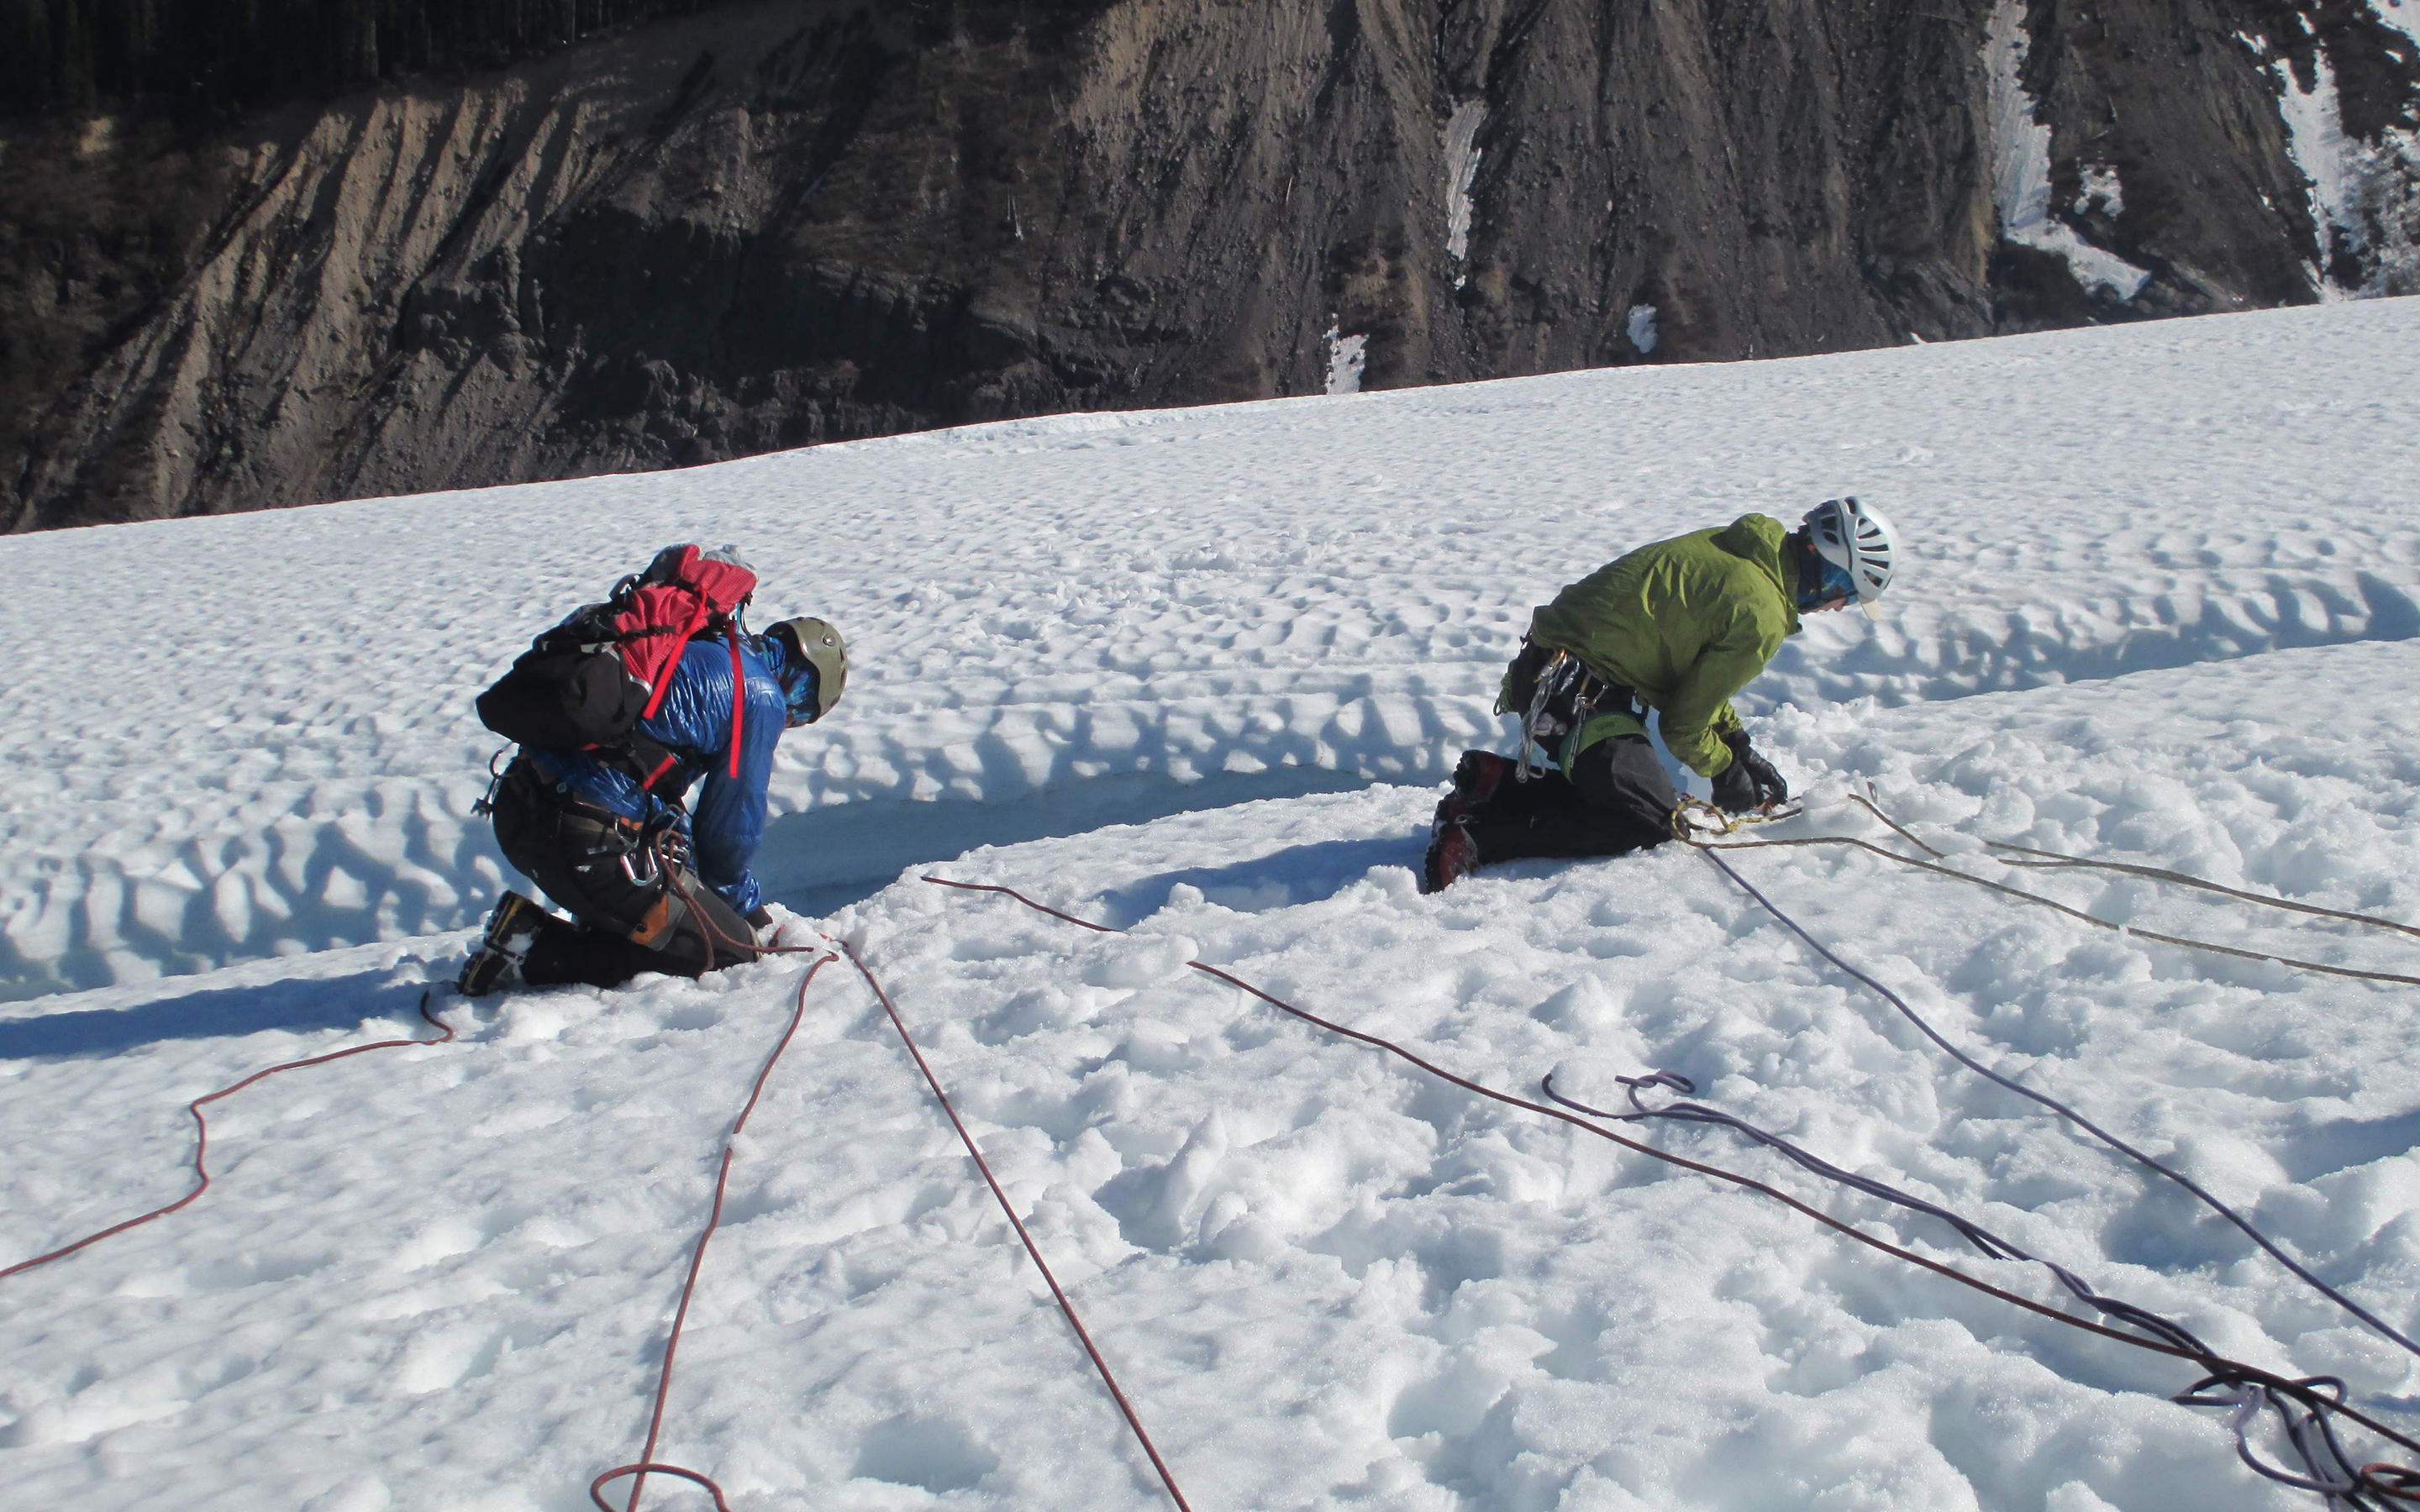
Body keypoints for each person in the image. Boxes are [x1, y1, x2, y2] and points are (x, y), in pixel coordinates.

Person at [1422, 497, 1898, 893]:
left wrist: (1737, 745)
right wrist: (1727, 772)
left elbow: (1692, 676)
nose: (1839, 607)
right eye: (1848, 594)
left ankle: (1500, 784)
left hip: (1552, 674)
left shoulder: (1747, 556)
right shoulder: (1763, 613)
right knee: (1649, 821)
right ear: (1830, 572)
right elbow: (1683, 725)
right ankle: (1479, 836)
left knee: (1631, 791)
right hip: (1578, 692)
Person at [459, 614, 849, 992]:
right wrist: (748, 917)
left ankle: (539, 935)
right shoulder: (762, 695)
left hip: (520, 809)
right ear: (801, 675)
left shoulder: (703, 643)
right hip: (582, 838)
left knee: (671, 915)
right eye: (801, 705)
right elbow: (730, 828)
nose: (790, 716)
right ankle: (533, 949)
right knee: (725, 951)